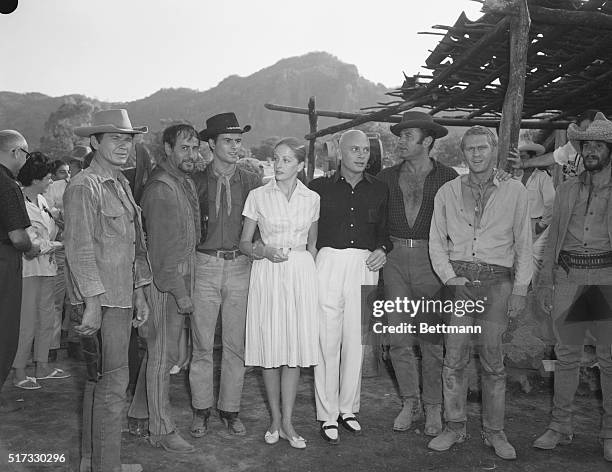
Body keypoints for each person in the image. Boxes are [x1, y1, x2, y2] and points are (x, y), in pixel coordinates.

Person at [428, 126, 532, 460]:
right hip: (460, 280)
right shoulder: (447, 191)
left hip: (497, 281)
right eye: (470, 149)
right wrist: (448, 277)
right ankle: (454, 427)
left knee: (493, 362)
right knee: (453, 358)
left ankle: (495, 432)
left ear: (494, 150)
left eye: (482, 148)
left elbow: (524, 245)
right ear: (463, 152)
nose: (476, 154)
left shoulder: (515, 191)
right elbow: (436, 241)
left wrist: (519, 290)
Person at [65, 109, 152, 472]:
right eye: (114, 138)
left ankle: (92, 460)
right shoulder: (85, 186)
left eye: (127, 138)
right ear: (94, 142)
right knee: (113, 386)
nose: (123, 145)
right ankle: (108, 465)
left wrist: (140, 292)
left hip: (119, 297)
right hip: (101, 302)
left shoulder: (120, 183)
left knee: (99, 381)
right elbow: (80, 248)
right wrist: (92, 304)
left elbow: (134, 244)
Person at [533, 112, 612, 462]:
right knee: (566, 356)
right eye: (587, 144)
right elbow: (552, 241)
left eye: (599, 144)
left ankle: (609, 431)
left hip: (607, 278)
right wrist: (545, 282)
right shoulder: (566, 190)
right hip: (567, 277)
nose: (592, 150)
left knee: (609, 360)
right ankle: (560, 425)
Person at [376, 111, 457, 435]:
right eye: (401, 136)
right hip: (394, 259)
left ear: (427, 141)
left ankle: (434, 407)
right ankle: (410, 402)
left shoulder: (449, 177)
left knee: (432, 339)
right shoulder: (384, 178)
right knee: (398, 338)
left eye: (408, 136)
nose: (401, 142)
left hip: (431, 260)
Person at [309, 129, 391, 444]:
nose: (361, 155)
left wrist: (383, 250)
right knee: (326, 341)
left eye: (366, 150)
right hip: (328, 263)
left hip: (365, 265)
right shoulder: (318, 188)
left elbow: (386, 232)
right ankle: (327, 414)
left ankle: (348, 409)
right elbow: (308, 232)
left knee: (356, 340)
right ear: (340, 152)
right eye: (354, 149)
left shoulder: (380, 189)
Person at [239, 138, 320, 449]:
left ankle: (288, 421)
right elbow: (245, 243)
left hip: (300, 273)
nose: (280, 165)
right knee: (270, 349)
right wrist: (262, 250)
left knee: (293, 351)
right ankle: (274, 419)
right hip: (268, 272)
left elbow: (312, 244)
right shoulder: (258, 195)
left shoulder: (312, 198)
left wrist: (306, 272)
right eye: (276, 159)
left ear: (300, 165)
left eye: (287, 160)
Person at [127, 124, 201, 454]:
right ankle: (161, 429)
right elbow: (160, 252)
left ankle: (140, 414)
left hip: (174, 282)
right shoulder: (161, 188)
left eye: (195, 147)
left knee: (162, 355)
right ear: (168, 149)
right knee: (161, 357)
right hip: (163, 286)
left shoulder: (179, 182)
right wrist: (181, 293)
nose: (191, 154)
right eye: (184, 148)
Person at [190, 113, 261, 437]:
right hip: (204, 265)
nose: (235, 147)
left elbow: (264, 223)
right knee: (202, 344)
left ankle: (230, 410)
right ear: (212, 144)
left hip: (239, 266)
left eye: (238, 141)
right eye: (229, 142)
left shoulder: (251, 181)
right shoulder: (196, 180)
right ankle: (201, 410)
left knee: (236, 345)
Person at [12, 152, 68, 389]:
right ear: (35, 180)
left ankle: (42, 365)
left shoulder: (43, 202)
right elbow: (30, 244)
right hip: (28, 269)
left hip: (47, 268)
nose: (51, 182)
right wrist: (60, 245)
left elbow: (51, 228)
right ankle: (19, 370)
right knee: (27, 322)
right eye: (47, 177)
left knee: (47, 317)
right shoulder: (19, 203)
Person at [0, 130, 38, 413]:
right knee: (6, 328)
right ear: (15, 152)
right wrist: (31, 248)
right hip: (4, 260)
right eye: (25, 153)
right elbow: (17, 237)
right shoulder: (8, 186)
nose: (25, 160)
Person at [508, 110, 600, 178]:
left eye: (592, 131)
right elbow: (553, 157)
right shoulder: (573, 148)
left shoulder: (607, 151)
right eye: (584, 131)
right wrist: (523, 164)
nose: (587, 136)